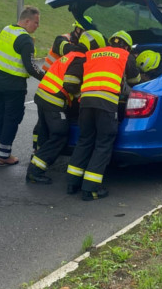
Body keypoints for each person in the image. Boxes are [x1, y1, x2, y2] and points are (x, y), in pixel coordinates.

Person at [66, 30, 139, 201]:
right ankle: (90, 189)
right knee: (103, 143)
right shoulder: (124, 55)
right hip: (106, 104)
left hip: (85, 102)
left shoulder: (92, 54)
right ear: (127, 46)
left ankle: (72, 183)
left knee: (84, 141)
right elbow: (135, 82)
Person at [0, 6, 44, 166]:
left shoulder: (5, 30)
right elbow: (31, 66)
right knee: (12, 119)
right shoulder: (25, 39)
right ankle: (4, 155)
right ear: (27, 21)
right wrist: (47, 78)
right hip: (14, 86)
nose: (37, 26)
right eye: (36, 22)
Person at [26, 50, 86, 184]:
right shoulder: (81, 59)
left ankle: (38, 162)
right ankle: (35, 171)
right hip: (54, 99)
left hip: (43, 95)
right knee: (60, 135)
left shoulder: (71, 55)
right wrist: (81, 97)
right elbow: (70, 84)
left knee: (45, 131)